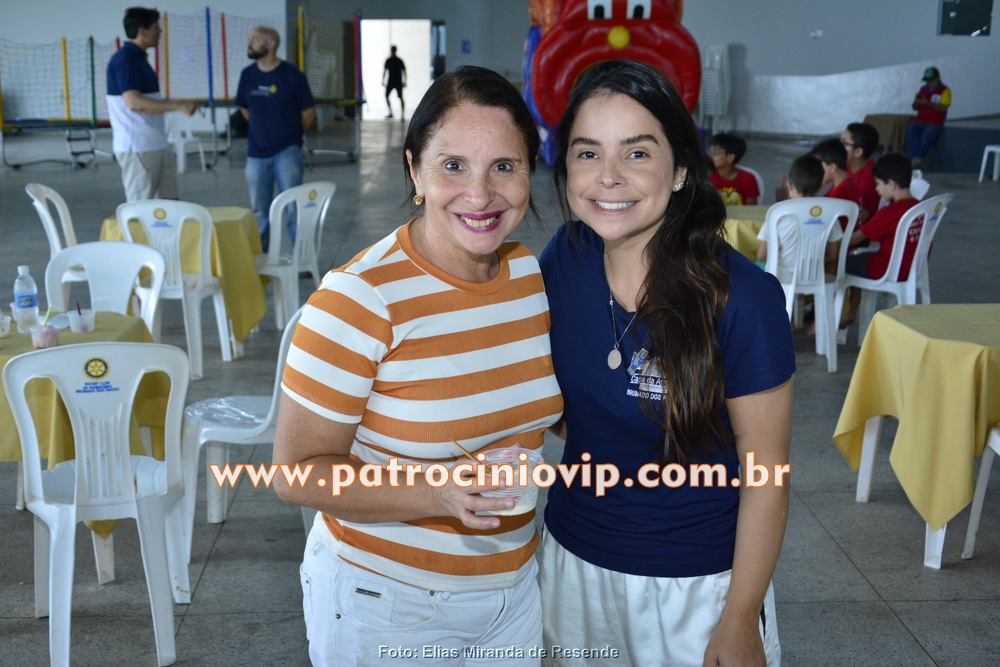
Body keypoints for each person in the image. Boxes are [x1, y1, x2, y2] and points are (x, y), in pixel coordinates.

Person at [272, 66, 563, 666]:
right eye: (452, 165)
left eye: (503, 166)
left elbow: (532, 405)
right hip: (389, 602)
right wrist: (439, 492)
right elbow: (295, 474)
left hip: (514, 592)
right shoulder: (359, 298)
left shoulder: (527, 277)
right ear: (414, 170)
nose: (479, 195)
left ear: (529, 171)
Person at [539, 60, 794, 667]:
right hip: (573, 562)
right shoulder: (566, 257)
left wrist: (739, 618)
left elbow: (767, 474)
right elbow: (563, 404)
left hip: (694, 587)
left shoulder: (742, 298)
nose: (608, 177)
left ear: (680, 169)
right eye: (587, 153)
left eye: (637, 153)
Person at [236, 26, 316, 253]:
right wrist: (262, 129)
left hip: (287, 153)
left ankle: (302, 259)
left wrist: (290, 136)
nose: (249, 43)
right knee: (259, 211)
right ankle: (260, 259)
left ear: (270, 44)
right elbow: (245, 108)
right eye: (250, 38)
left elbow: (309, 112)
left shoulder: (292, 76)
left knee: (293, 208)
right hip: (256, 155)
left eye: (255, 39)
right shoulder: (248, 75)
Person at [106, 7, 198, 202]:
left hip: (156, 144)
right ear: (143, 32)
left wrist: (176, 103)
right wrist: (177, 106)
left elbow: (148, 102)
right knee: (142, 208)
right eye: (156, 27)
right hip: (138, 148)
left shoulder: (139, 59)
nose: (160, 32)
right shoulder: (125, 60)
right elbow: (134, 102)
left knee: (170, 205)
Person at [756, 154, 843, 282]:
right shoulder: (830, 214)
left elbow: (761, 255)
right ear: (820, 188)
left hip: (781, 281)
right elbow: (833, 255)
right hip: (814, 281)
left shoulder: (778, 214)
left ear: (789, 185)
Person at [810, 138, 863, 230]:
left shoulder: (840, 193)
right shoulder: (845, 184)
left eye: (818, 166)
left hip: (842, 238)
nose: (815, 171)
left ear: (832, 167)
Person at [907, 67, 951, 168]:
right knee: (911, 132)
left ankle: (917, 160)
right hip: (919, 120)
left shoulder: (945, 90)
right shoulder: (923, 89)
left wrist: (927, 104)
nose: (929, 83)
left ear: (937, 78)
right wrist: (917, 102)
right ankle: (917, 160)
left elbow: (943, 108)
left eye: (931, 81)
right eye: (927, 81)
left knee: (926, 138)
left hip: (934, 122)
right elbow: (915, 108)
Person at [841, 122, 880, 224]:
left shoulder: (870, 177)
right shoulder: (848, 167)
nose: (838, 147)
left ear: (858, 152)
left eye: (844, 143)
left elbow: (861, 216)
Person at [708, 133, 759, 205]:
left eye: (715, 152)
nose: (709, 156)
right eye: (709, 151)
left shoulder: (748, 179)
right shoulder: (708, 176)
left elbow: (751, 208)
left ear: (730, 158)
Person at [382, 46, 407, 120]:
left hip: (393, 81)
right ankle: (400, 114)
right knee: (398, 97)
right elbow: (404, 71)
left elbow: (385, 71)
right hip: (396, 81)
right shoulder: (398, 60)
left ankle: (397, 114)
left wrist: (383, 80)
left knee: (398, 97)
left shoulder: (390, 60)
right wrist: (405, 81)